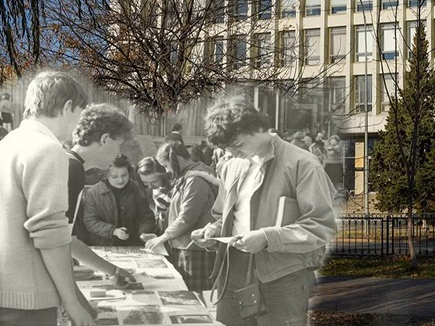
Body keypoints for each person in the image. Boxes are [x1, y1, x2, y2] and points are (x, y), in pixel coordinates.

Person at [192, 94, 337, 326]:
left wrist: (268, 238)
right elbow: (223, 216)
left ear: (258, 127)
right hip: (232, 271)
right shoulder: (230, 166)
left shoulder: (302, 163)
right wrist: (211, 233)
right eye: (228, 149)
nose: (233, 154)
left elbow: (321, 227)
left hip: (284, 275)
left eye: (237, 145)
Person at [0, 71, 94, 326]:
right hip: (27, 298)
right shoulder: (48, 149)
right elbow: (50, 233)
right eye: (79, 113)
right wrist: (72, 303)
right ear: (68, 107)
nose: (77, 123)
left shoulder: (2, 146)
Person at [66, 104, 137, 285]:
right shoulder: (72, 168)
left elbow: (67, 240)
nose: (119, 153)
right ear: (105, 139)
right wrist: (113, 270)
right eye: (118, 145)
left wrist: (111, 270)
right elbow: (63, 241)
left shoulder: (72, 164)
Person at [144, 141, 218, 291]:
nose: (168, 171)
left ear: (176, 159)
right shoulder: (193, 175)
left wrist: (163, 237)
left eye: (166, 165)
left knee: (194, 293)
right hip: (189, 246)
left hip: (194, 248)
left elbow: (187, 217)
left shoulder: (195, 179)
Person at [82, 154, 156, 247]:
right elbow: (90, 221)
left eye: (124, 175)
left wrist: (144, 232)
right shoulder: (93, 193)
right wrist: (113, 231)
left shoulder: (137, 189)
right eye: (114, 176)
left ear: (129, 172)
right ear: (105, 175)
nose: (120, 180)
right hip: (104, 245)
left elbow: (146, 217)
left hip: (133, 245)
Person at [136, 157, 172, 236]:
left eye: (154, 182)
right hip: (161, 229)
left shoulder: (174, 190)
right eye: (145, 182)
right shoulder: (149, 191)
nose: (150, 186)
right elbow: (154, 212)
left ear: (163, 176)